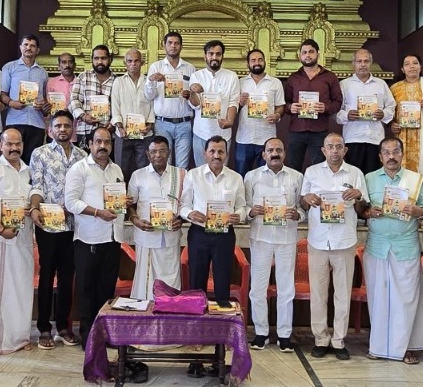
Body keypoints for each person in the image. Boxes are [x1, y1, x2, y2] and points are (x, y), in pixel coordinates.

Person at [359, 137, 423, 363]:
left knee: (406, 299)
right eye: (386, 152)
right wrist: (369, 212)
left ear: (402, 154)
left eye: (395, 151)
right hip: (378, 246)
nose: (391, 156)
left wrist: (417, 211)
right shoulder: (369, 178)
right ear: (380, 156)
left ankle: (407, 347)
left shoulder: (415, 179)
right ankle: (379, 347)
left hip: (405, 245)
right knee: (379, 298)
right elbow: (361, 209)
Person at [299, 133, 365, 360]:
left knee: (342, 293)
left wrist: (358, 196)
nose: (334, 151)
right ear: (323, 150)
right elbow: (302, 203)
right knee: (318, 293)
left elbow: (361, 209)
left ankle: (338, 340)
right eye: (330, 147)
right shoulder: (312, 172)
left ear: (345, 150)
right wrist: (307, 198)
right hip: (318, 239)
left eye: (339, 147)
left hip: (344, 240)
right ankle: (320, 339)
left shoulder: (355, 173)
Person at [64, 125, 127, 347]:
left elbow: (117, 200)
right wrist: (98, 212)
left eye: (107, 142)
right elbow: (70, 202)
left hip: (112, 238)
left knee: (106, 289)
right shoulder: (79, 169)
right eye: (98, 142)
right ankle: (89, 337)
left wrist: (124, 201)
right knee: (87, 290)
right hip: (88, 239)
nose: (103, 146)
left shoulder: (116, 170)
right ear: (90, 144)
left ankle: (104, 335)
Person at [30, 110, 88, 349]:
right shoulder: (40, 153)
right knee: (46, 276)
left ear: (73, 129)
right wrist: (34, 208)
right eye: (58, 126)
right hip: (48, 223)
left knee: (67, 277)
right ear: (50, 130)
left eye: (66, 126)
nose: (62, 129)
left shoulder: (83, 156)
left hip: (75, 225)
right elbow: (37, 185)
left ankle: (64, 327)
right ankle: (44, 328)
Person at [0, 128, 41, 354]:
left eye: (18, 144)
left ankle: (20, 337)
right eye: (9, 144)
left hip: (23, 236)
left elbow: (32, 196)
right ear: (1, 145)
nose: (14, 148)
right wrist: (0, 229)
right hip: (1, 238)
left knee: (22, 287)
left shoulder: (26, 169)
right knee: (1, 290)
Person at [244, 137, 302, 352]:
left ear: (284, 153)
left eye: (279, 150)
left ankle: (284, 335)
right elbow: (243, 206)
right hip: (261, 238)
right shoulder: (251, 177)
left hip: (286, 238)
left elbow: (302, 208)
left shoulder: (296, 177)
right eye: (270, 150)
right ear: (264, 154)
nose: (275, 153)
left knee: (286, 288)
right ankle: (261, 333)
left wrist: (298, 214)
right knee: (257, 288)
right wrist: (251, 212)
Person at [180, 136, 248, 307]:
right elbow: (183, 205)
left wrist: (238, 215)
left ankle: (222, 318)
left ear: (226, 154)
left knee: (223, 279)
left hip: (224, 235)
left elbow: (242, 207)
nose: (216, 155)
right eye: (212, 151)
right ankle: (197, 316)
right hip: (199, 234)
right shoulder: (193, 175)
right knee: (197, 280)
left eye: (220, 152)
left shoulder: (236, 178)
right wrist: (190, 214)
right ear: (205, 154)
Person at [126, 136, 185, 301]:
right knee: (146, 285)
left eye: (162, 151)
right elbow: (129, 204)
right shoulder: (138, 175)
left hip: (171, 238)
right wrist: (136, 220)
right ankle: (146, 314)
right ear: (147, 154)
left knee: (171, 280)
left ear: (169, 153)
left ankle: (169, 312)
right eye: (153, 151)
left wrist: (181, 220)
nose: (158, 155)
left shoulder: (181, 174)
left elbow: (187, 204)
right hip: (147, 237)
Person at [283, 38, 343, 170]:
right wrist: (290, 107)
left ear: (318, 54)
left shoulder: (330, 77)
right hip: (297, 130)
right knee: (293, 168)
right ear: (300, 55)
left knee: (319, 169)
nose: (308, 55)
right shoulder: (293, 78)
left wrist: (325, 107)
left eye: (311, 52)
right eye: (304, 52)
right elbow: (285, 103)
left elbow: (338, 102)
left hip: (319, 131)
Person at [337, 48, 395, 174]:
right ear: (353, 64)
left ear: (371, 63)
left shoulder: (381, 84)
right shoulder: (344, 85)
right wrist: (347, 115)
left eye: (366, 61)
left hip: (375, 139)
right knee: (353, 176)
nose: (363, 64)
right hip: (353, 138)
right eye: (359, 61)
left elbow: (391, 106)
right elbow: (336, 111)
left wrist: (383, 114)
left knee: (373, 176)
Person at [145, 31, 197, 167]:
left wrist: (189, 95)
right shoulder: (156, 67)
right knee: (163, 164)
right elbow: (149, 96)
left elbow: (195, 100)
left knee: (182, 166)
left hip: (184, 123)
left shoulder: (190, 68)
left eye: (176, 43)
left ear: (181, 46)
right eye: (170, 43)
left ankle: (179, 183)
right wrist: (151, 81)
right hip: (162, 123)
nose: (173, 46)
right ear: (164, 45)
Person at [186, 40, 241, 168]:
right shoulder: (196, 76)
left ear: (222, 56)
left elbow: (233, 102)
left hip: (223, 134)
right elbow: (195, 105)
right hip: (201, 133)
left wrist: (230, 121)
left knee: (220, 172)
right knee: (201, 172)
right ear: (205, 56)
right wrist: (192, 92)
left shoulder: (232, 76)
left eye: (218, 54)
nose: (214, 57)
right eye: (211, 54)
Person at [234, 48, 285, 175]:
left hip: (267, 138)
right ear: (248, 64)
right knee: (241, 176)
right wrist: (240, 103)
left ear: (265, 62)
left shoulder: (275, 83)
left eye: (260, 60)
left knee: (267, 176)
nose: (257, 63)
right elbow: (233, 108)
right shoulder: (240, 83)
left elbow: (280, 106)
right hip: (244, 138)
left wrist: (277, 115)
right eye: (253, 60)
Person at [1, 34, 50, 162]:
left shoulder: (43, 72)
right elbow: (2, 94)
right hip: (15, 120)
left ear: (37, 50)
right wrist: (11, 102)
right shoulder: (9, 67)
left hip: (36, 123)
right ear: (20, 47)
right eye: (26, 45)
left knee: (33, 161)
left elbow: (45, 99)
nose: (29, 48)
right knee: (12, 159)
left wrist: (43, 105)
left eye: (32, 46)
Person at [111, 47, 155, 179]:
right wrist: (120, 127)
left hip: (144, 134)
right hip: (123, 133)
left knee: (144, 169)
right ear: (125, 63)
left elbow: (153, 104)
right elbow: (115, 106)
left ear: (142, 63)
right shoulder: (118, 82)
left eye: (136, 61)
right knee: (121, 170)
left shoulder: (148, 82)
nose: (133, 64)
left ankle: (142, 193)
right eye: (129, 61)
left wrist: (150, 125)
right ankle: (121, 192)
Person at [69, 44, 117, 151]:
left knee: (106, 161)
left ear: (110, 59)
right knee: (84, 161)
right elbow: (74, 100)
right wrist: (83, 116)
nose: (100, 61)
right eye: (96, 58)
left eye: (103, 58)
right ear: (92, 60)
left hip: (107, 132)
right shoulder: (83, 77)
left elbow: (120, 106)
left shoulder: (117, 81)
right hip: (85, 130)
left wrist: (113, 123)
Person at [46, 51, 78, 118]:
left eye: (70, 62)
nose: (67, 65)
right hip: (58, 121)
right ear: (59, 66)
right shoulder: (51, 82)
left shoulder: (81, 82)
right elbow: (48, 105)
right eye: (64, 62)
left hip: (78, 121)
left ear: (75, 65)